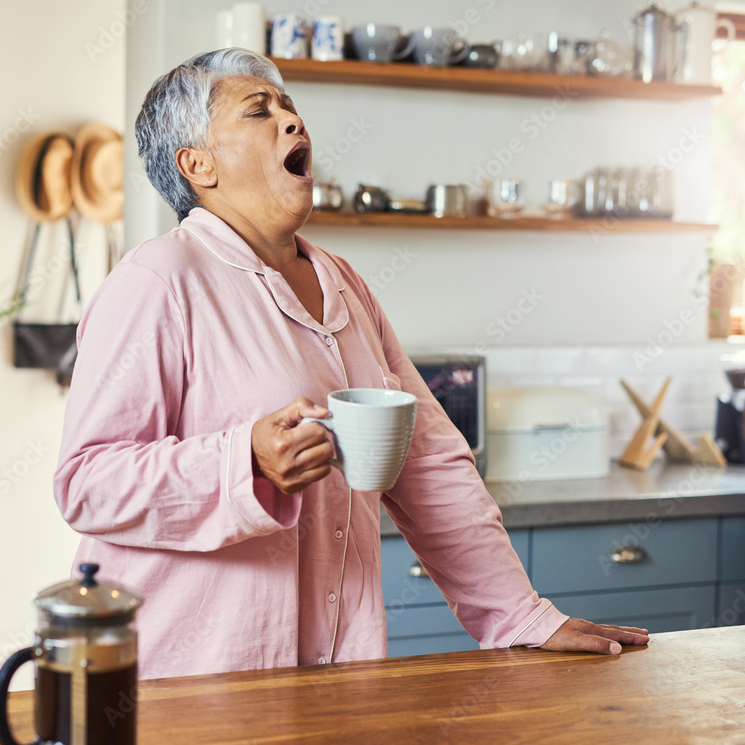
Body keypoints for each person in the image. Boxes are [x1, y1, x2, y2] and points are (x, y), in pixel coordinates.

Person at [53, 48, 648, 679]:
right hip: (189, 679)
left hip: (336, 672)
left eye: (290, 107)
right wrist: (243, 458)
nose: (293, 122)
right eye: (261, 111)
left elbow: (427, 461)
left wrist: (521, 616)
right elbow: (87, 483)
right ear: (198, 165)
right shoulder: (157, 280)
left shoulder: (344, 283)